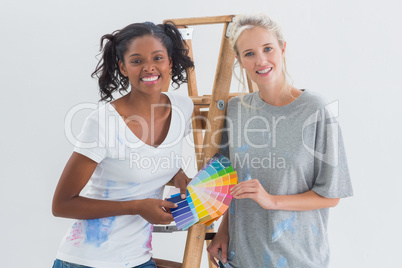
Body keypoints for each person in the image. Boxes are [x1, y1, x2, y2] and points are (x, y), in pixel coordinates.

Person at [207, 14, 353, 268]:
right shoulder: (236, 110)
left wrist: (272, 200)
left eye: (267, 49)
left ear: (282, 49)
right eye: (249, 54)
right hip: (241, 259)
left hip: (298, 258)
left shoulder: (314, 110)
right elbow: (234, 183)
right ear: (240, 61)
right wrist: (224, 230)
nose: (261, 60)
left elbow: (331, 195)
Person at [52, 21, 194, 268]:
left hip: (138, 259)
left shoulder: (183, 108)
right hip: (88, 261)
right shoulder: (104, 122)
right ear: (123, 67)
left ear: (170, 61)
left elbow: (151, 159)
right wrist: (137, 207)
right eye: (137, 61)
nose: (149, 67)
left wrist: (179, 175)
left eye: (158, 58)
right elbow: (62, 204)